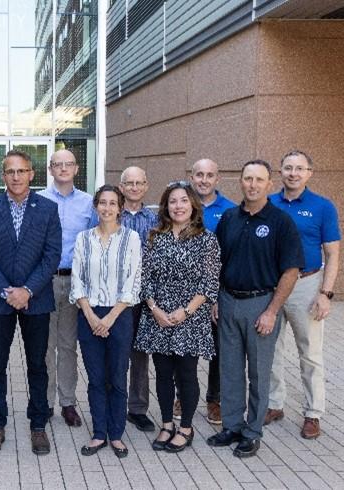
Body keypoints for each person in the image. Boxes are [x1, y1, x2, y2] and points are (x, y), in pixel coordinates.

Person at [207, 159, 304, 458]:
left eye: (258, 180)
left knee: (259, 373)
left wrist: (272, 310)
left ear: (269, 184)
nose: (252, 184)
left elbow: (291, 271)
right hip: (228, 301)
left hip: (261, 304)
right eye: (248, 178)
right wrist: (214, 299)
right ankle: (233, 426)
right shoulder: (230, 218)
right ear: (240, 181)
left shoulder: (280, 222)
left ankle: (252, 432)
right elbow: (216, 261)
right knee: (230, 369)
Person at [0, 150, 61, 456]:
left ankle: (38, 425)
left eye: (21, 171)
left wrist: (27, 290)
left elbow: (52, 255)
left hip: (36, 300)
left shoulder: (48, 209)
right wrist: (5, 291)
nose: (16, 176)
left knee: (38, 365)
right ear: (3, 176)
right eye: (10, 171)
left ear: (32, 174)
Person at [135, 181, 221, 453]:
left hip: (190, 316)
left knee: (186, 374)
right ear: (166, 206)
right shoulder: (155, 236)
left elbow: (209, 283)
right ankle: (166, 424)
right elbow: (144, 277)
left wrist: (184, 312)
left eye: (183, 200)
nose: (178, 206)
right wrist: (155, 309)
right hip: (157, 315)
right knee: (162, 373)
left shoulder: (206, 239)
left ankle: (185, 427)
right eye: (173, 201)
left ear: (193, 204)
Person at [266, 150, 340, 439]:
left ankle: (313, 413)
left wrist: (326, 293)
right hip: (272, 286)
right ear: (280, 172)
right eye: (288, 168)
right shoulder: (268, 203)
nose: (293, 173)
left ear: (310, 172)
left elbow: (333, 254)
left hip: (306, 284)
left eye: (299, 168)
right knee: (269, 349)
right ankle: (274, 404)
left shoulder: (323, 207)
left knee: (310, 352)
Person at [69, 185, 141, 459]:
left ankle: (117, 434)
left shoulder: (131, 238)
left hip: (119, 316)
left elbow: (133, 282)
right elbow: (78, 281)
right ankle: (99, 432)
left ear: (120, 207)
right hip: (89, 314)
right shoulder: (84, 239)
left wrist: (109, 318)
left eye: (112, 203)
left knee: (117, 378)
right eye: (102, 203)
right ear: (95, 206)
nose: (107, 208)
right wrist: (90, 316)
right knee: (96, 378)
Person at [38, 149, 96, 427]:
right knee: (45, 347)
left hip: (76, 282)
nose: (63, 168)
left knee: (68, 346)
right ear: (50, 169)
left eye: (68, 164)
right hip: (45, 281)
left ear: (76, 168)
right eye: (57, 164)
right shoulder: (38, 201)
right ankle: (45, 402)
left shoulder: (89, 204)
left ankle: (68, 403)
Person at [188, 158, 235, 424]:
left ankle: (214, 399)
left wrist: (217, 295)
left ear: (217, 179)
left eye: (209, 175)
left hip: (216, 292)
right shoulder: (181, 204)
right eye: (199, 175)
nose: (204, 180)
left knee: (218, 350)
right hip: (183, 292)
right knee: (184, 347)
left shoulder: (229, 210)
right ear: (191, 177)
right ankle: (184, 395)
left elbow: (230, 257)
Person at [118, 166, 158, 433]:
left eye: (139, 183)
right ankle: (114, 404)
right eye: (129, 183)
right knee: (116, 353)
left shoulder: (155, 220)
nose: (133, 187)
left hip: (145, 297)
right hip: (116, 296)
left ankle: (138, 408)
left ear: (145, 186)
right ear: (121, 186)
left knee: (140, 354)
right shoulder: (110, 213)